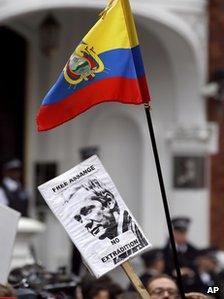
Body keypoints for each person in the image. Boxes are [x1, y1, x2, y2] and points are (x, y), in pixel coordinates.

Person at [73, 179, 148, 247]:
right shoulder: (111, 248)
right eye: (79, 219)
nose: (85, 223)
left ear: (109, 202)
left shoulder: (136, 235)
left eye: (87, 211)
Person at [163, 217, 198, 292]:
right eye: (178, 232)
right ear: (173, 233)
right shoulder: (164, 252)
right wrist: (174, 272)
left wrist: (189, 272)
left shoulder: (194, 251)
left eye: (183, 233)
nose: (181, 235)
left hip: (191, 288)